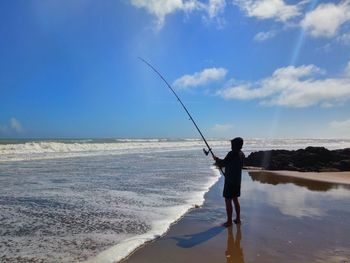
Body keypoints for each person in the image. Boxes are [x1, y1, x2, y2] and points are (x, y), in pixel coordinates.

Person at [214, 137, 244, 227]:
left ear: (234, 145)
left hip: (230, 181)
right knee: (235, 199)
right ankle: (238, 219)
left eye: (232, 144)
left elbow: (223, 163)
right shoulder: (242, 154)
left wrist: (217, 159)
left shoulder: (231, 153)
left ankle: (229, 221)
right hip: (237, 181)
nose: (231, 146)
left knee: (228, 200)